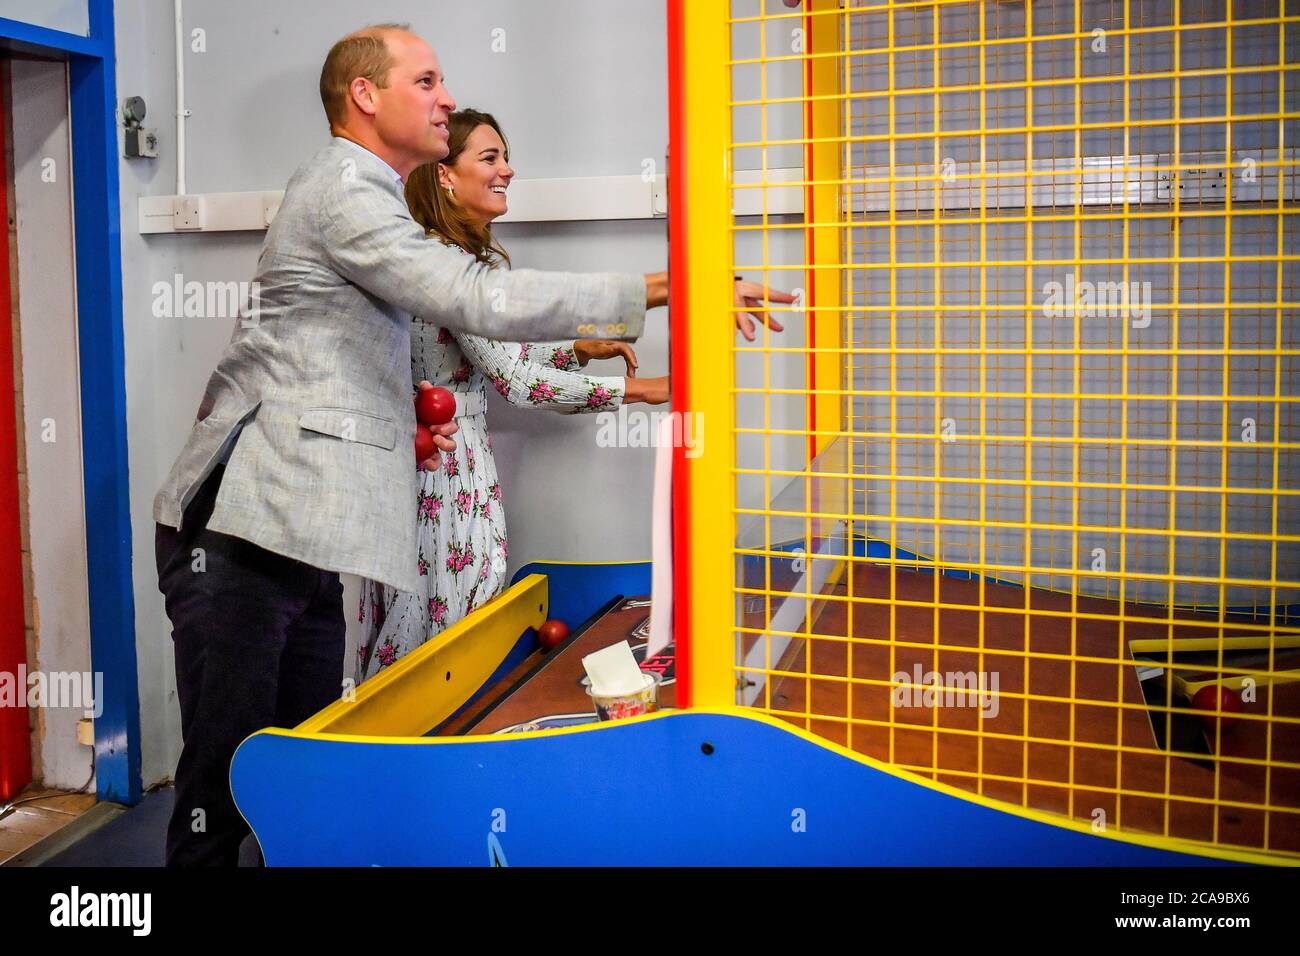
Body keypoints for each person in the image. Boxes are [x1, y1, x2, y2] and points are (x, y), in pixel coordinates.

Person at [153, 23, 791, 866]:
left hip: (299, 536)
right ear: (365, 96)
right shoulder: (344, 186)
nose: (446, 98)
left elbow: (378, 354)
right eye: (426, 81)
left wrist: (402, 426)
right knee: (223, 788)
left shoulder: (373, 196)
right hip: (239, 533)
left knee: (292, 777)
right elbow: (474, 301)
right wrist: (684, 283)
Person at [356, 109, 670, 680]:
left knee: (447, 626)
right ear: (445, 176)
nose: (508, 169)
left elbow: (496, 362)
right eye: (490, 157)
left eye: (505, 156)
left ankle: (412, 754)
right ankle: (399, 756)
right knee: (437, 636)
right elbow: (519, 384)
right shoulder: (443, 266)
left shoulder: (449, 259)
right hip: (440, 471)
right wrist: (638, 391)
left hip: (454, 466)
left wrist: (577, 350)